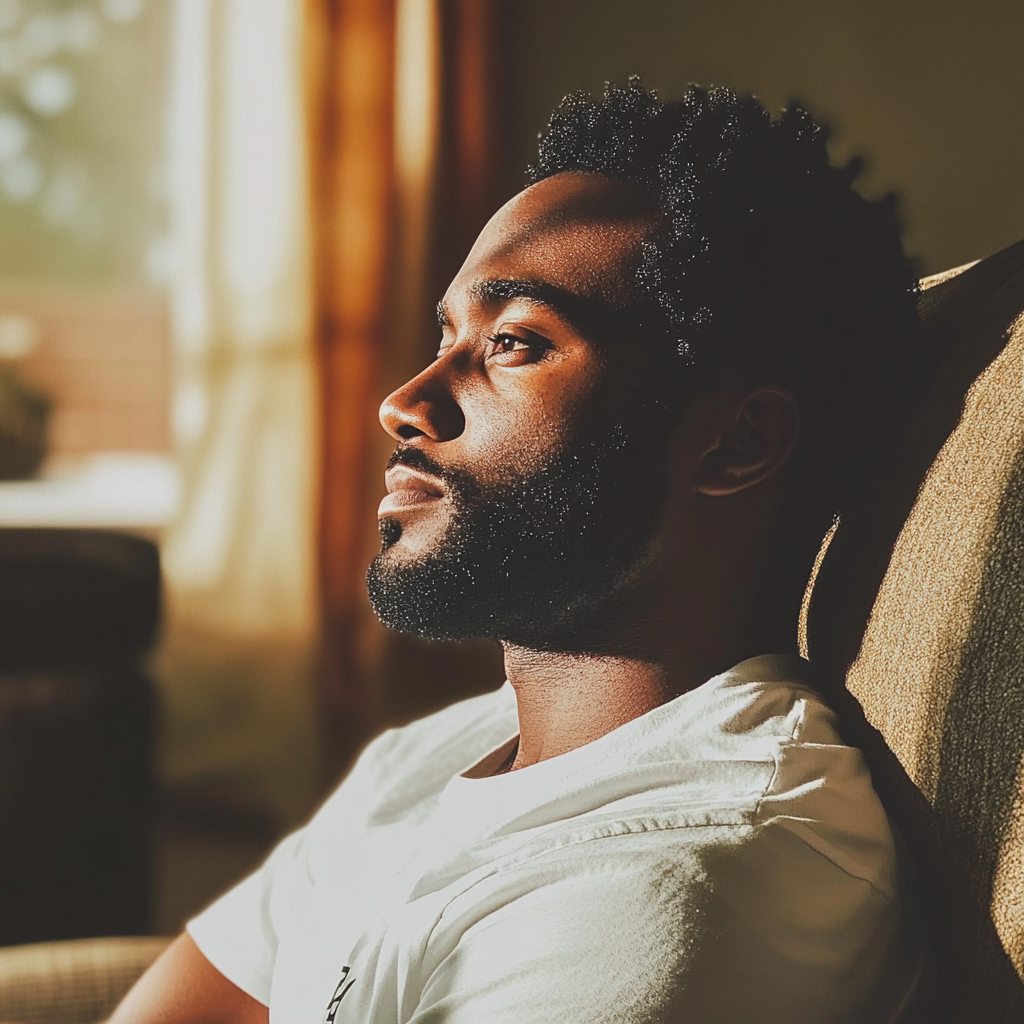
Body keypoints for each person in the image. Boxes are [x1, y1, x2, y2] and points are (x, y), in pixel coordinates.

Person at [112, 79, 931, 1023]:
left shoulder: (667, 894)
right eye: (448, 333)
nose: (406, 402)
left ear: (737, 443)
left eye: (513, 342)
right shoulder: (438, 755)